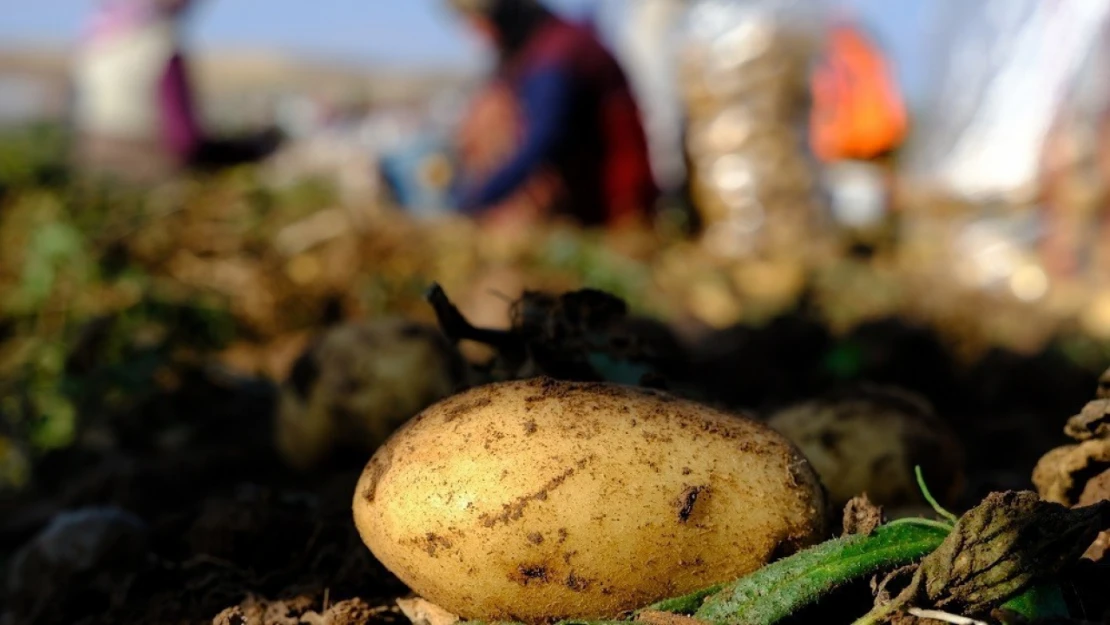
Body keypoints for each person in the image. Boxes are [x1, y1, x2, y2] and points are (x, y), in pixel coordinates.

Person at [446, 0, 659, 229]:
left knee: (493, 115)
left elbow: (544, 136)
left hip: (612, 208)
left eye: (479, 25)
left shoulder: (557, 54)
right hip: (584, 206)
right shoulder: (534, 53)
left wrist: (478, 201)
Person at [71, 0, 281, 183]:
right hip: (147, 171)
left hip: (91, 163)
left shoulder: (99, 40)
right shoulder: (161, 46)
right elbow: (184, 139)